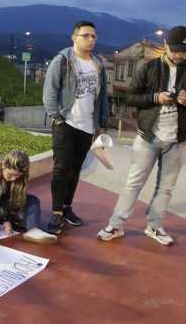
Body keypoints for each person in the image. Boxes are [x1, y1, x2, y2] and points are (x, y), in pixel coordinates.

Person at [98, 26, 186, 245]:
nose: (180, 55)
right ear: (166, 46)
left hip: (178, 139)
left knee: (166, 187)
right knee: (134, 183)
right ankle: (116, 225)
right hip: (148, 136)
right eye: (176, 50)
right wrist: (155, 98)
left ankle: (155, 226)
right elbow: (131, 96)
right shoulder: (149, 68)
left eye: (185, 51)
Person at [43, 21, 109, 235]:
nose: (90, 40)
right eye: (86, 36)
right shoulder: (62, 61)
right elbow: (49, 92)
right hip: (66, 124)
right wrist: (57, 117)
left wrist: (102, 123)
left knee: (75, 170)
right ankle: (56, 212)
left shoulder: (98, 64)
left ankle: (67, 207)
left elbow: (102, 97)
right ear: (74, 37)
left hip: (88, 126)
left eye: (94, 37)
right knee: (60, 169)